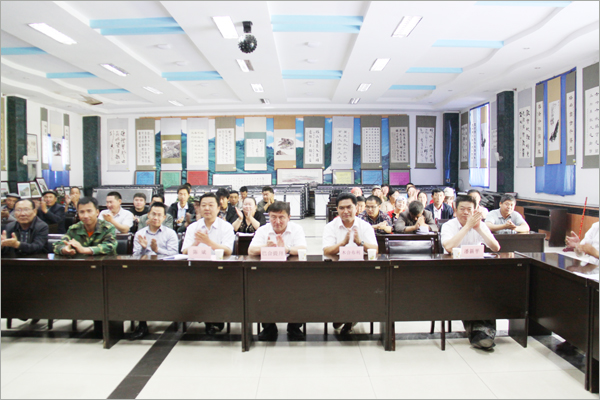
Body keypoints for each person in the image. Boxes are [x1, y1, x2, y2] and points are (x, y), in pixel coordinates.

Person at [440, 195, 500, 350]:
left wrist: (478, 228)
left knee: (488, 292)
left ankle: (484, 334)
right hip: (453, 273)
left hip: (477, 273)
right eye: (462, 209)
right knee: (470, 293)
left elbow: (495, 247)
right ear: (455, 209)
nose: (466, 212)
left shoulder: (480, 225)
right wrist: (467, 227)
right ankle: (481, 335)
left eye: (469, 209)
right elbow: (449, 247)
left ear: (475, 211)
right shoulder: (448, 226)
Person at [248, 201, 308, 340]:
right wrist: (266, 247)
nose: (277, 221)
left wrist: (286, 249)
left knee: (300, 290)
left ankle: (294, 327)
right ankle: (269, 328)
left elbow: (303, 249)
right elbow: (251, 250)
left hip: (292, 274)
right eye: (273, 217)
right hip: (267, 274)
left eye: (281, 217)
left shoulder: (296, 229)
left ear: (289, 217)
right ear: (268, 216)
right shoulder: (263, 230)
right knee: (261, 291)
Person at [323, 193, 378, 334]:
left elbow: (375, 249)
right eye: (341, 208)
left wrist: (360, 242)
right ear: (337, 209)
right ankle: (346, 316)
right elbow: (326, 251)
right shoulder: (330, 226)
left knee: (359, 286)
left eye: (349, 207)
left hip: (361, 270)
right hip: (337, 270)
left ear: (357, 208)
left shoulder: (365, 226)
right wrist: (343, 243)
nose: (345, 211)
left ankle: (350, 318)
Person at [181, 193, 235, 336]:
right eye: (203, 205)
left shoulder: (226, 227)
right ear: (199, 208)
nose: (207, 208)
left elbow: (228, 251)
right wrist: (196, 242)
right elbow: (185, 251)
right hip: (197, 269)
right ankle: (208, 319)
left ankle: (213, 319)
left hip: (220, 270)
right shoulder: (193, 227)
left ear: (218, 208)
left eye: (211, 205)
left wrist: (208, 242)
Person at [130, 202, 179, 340]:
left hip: (166, 272)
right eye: (153, 214)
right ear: (148, 215)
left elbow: (174, 254)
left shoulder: (170, 233)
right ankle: (142, 325)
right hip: (145, 272)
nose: (156, 217)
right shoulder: (140, 234)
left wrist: (156, 250)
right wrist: (144, 248)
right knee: (137, 288)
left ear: (164, 218)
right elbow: (135, 256)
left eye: (159, 215)